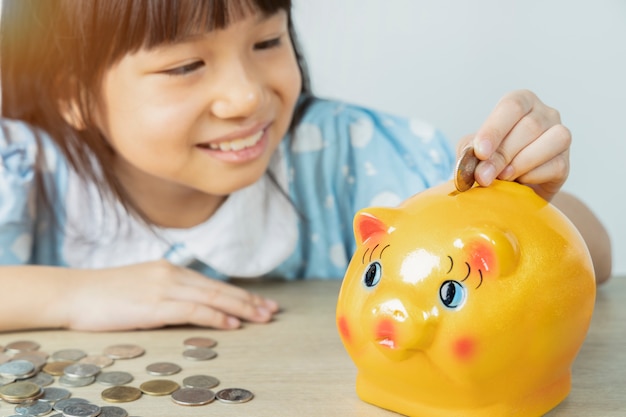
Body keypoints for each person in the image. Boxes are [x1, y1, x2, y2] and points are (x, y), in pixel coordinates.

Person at [0, 0, 611, 333]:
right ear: (73, 95)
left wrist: (516, 199)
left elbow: (598, 254)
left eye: (267, 42)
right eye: (185, 66)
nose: (246, 98)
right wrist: (72, 297)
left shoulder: (350, 151)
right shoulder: (20, 171)